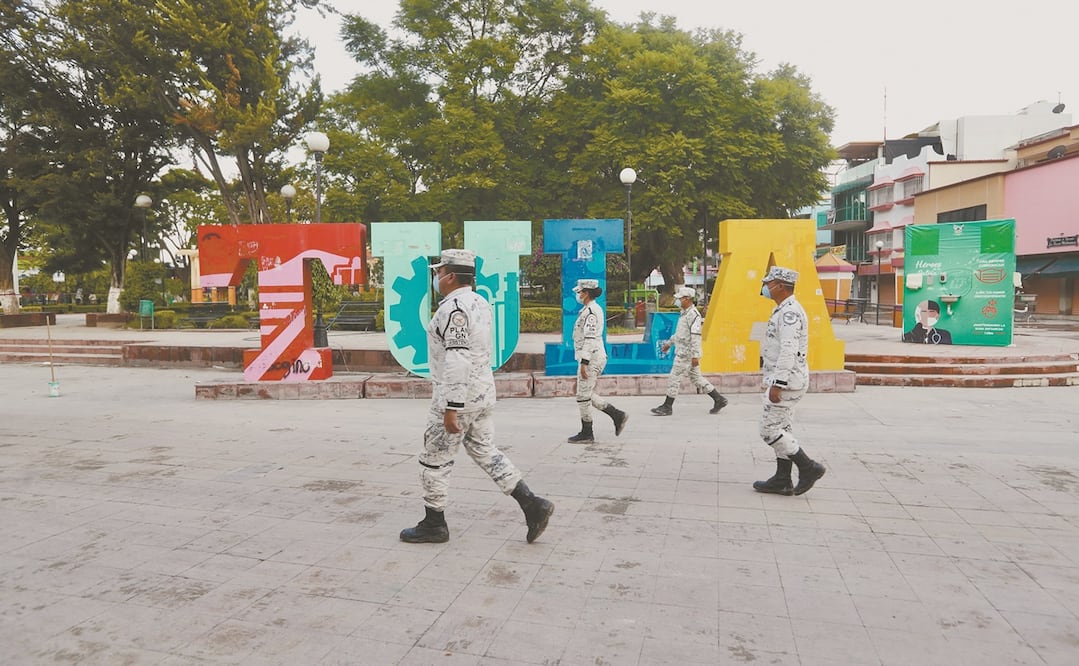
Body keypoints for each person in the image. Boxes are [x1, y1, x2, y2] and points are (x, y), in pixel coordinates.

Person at [400, 249, 554, 544]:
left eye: (438, 272)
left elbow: (457, 359)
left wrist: (451, 407)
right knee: (486, 451)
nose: (436, 277)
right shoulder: (480, 303)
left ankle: (434, 523)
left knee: (434, 459)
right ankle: (532, 504)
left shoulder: (453, 310)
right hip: (482, 393)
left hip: (458, 396)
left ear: (451, 276)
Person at [753, 266, 826, 496]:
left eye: (769, 283)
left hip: (787, 381)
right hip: (787, 379)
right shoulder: (783, 310)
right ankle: (782, 478)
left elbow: (788, 350)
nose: (765, 287)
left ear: (780, 286)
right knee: (783, 428)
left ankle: (808, 467)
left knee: (768, 429)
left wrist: (778, 383)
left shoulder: (789, 313)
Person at [567, 279, 628, 443]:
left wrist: (584, 363)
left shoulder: (592, 312)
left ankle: (588, 432)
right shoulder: (588, 310)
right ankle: (617, 415)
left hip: (592, 358)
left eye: (579, 292)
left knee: (582, 396)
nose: (578, 295)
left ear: (586, 293)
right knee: (584, 394)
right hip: (591, 357)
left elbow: (590, 339)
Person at [650, 286, 727, 416]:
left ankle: (667, 406)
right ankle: (718, 399)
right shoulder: (684, 313)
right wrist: (669, 343)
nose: (678, 301)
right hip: (684, 351)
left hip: (686, 354)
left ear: (687, 299)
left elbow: (696, 336)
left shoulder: (693, 315)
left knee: (674, 378)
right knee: (697, 378)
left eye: (680, 298)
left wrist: (696, 356)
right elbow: (681, 334)